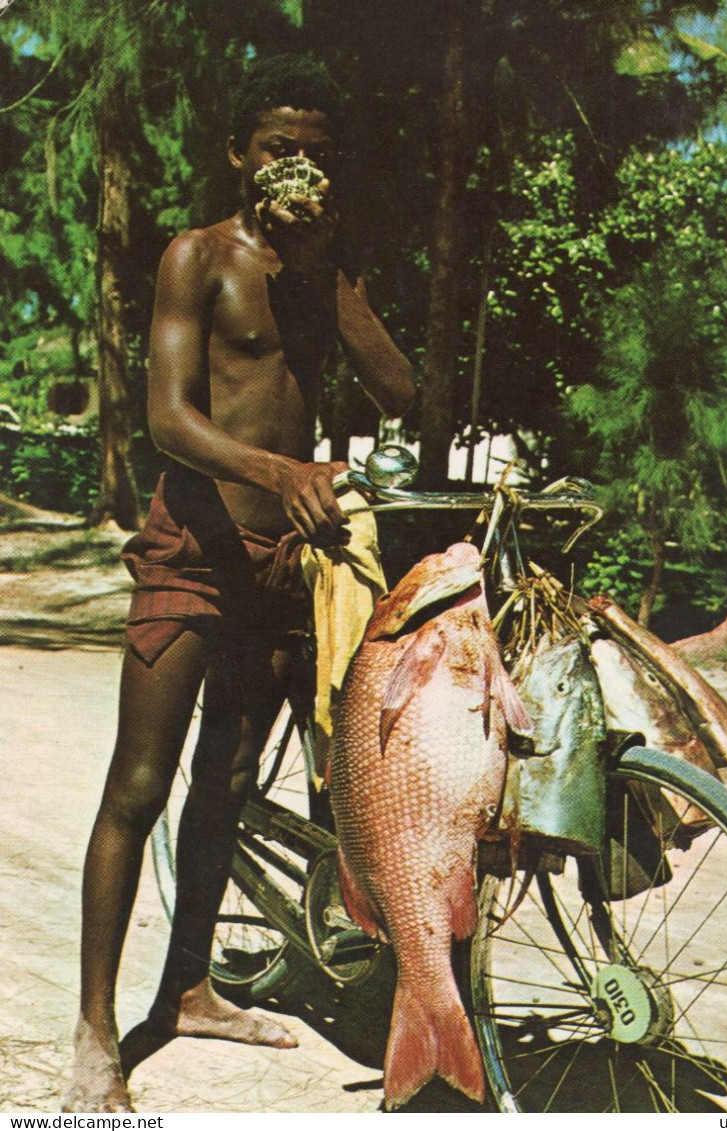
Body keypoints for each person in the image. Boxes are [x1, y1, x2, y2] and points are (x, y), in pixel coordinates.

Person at [63, 54, 415, 1113]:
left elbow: (402, 391)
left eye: (313, 152)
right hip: (193, 552)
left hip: (282, 567)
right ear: (238, 155)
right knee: (141, 784)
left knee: (221, 784)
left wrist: (329, 277)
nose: (296, 167)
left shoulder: (323, 268)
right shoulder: (197, 258)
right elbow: (168, 418)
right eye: (277, 149)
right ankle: (91, 1030)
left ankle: (189, 989)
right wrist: (279, 473)